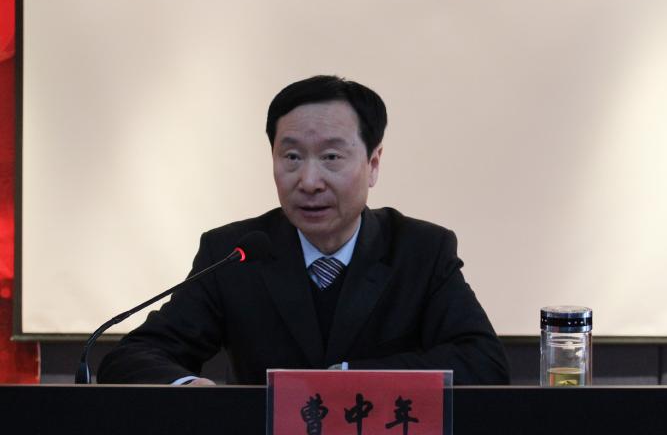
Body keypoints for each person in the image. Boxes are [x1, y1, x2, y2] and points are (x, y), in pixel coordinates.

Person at [97, 75, 510, 385]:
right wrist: (186, 386)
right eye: (292, 157)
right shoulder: (235, 252)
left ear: (373, 164)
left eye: (331, 157)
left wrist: (347, 380)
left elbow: (483, 362)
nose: (309, 181)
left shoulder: (420, 250)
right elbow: (134, 356)